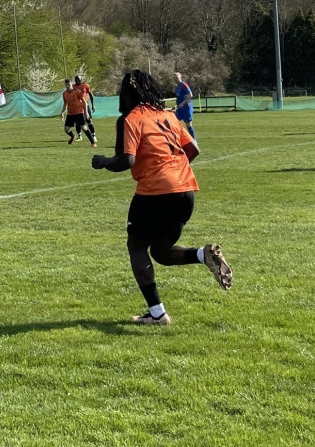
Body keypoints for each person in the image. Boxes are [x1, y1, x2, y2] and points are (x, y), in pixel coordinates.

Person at [90, 69, 232, 325]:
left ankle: (158, 314)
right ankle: (203, 255)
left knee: (136, 246)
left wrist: (103, 162)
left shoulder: (129, 119)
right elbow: (194, 149)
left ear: (127, 93)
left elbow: (126, 159)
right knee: (161, 251)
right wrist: (173, 169)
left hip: (156, 191)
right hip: (185, 189)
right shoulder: (168, 116)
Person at [60, 79, 96, 146]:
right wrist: (62, 113)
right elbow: (65, 104)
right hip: (70, 113)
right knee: (66, 130)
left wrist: (86, 113)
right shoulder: (64, 93)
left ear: (71, 84)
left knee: (84, 127)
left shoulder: (77, 91)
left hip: (79, 112)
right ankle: (73, 136)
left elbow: (84, 102)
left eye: (69, 84)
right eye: (66, 85)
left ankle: (93, 143)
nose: (67, 86)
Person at [74, 75, 97, 140]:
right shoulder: (73, 87)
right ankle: (79, 136)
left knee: (89, 120)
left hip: (85, 105)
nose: (77, 81)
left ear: (81, 79)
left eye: (78, 79)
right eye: (76, 79)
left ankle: (93, 135)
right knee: (78, 122)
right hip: (77, 106)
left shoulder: (85, 86)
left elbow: (91, 95)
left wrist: (93, 105)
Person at [174, 72, 195, 139]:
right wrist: (176, 106)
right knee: (174, 123)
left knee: (189, 125)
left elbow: (190, 95)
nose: (175, 79)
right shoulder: (177, 87)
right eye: (174, 78)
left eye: (176, 77)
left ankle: (193, 141)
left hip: (186, 108)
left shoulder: (184, 85)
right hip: (180, 109)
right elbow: (180, 98)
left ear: (180, 77)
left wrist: (182, 104)